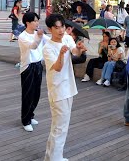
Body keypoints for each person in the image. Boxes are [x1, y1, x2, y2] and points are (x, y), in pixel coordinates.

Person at [43, 14, 86, 161]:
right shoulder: (48, 47)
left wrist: (79, 49)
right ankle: (54, 158)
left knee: (60, 125)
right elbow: (57, 67)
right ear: (50, 29)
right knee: (59, 127)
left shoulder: (67, 37)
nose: (61, 30)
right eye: (57, 27)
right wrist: (61, 53)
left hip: (69, 87)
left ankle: (52, 156)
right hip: (57, 89)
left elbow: (74, 52)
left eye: (62, 26)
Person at [18, 12, 49, 132]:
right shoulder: (22, 36)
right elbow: (33, 46)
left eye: (38, 21)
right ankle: (25, 120)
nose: (37, 23)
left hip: (38, 65)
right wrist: (39, 37)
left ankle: (30, 115)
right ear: (27, 22)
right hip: (28, 67)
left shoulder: (38, 34)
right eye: (35, 21)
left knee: (36, 93)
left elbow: (50, 41)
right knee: (27, 94)